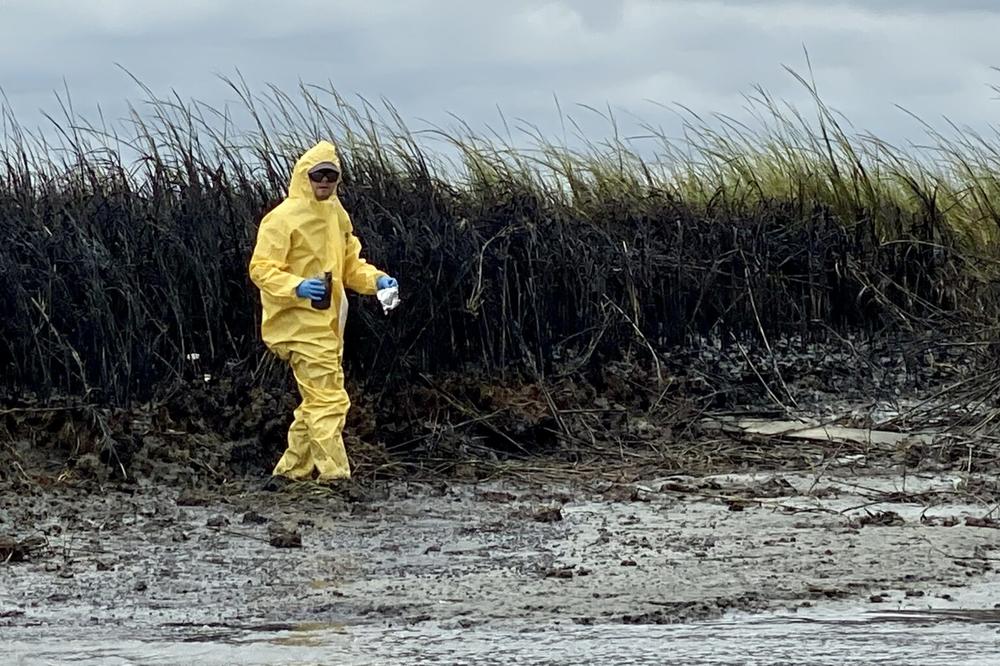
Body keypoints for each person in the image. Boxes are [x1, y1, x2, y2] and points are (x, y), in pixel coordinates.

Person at [249, 140, 397, 487]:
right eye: (319, 175)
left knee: (314, 401)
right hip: (298, 325)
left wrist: (377, 281)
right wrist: (297, 286)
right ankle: (336, 477)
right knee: (330, 399)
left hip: (330, 324)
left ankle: (289, 472)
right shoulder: (282, 219)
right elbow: (261, 268)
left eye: (331, 176)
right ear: (305, 176)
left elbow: (349, 266)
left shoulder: (336, 214)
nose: (325, 182)